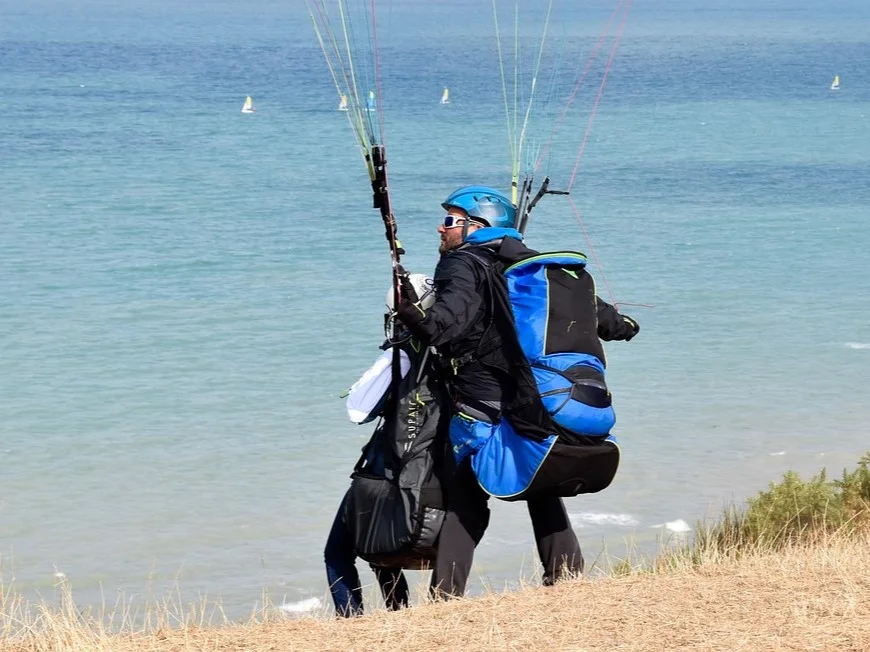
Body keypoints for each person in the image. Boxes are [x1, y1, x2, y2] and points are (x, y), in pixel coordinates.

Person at [395, 185, 639, 598]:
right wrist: (627, 324)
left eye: (452, 221)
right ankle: (566, 580)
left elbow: (444, 326)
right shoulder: (539, 270)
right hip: (535, 399)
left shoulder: (463, 263)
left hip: (483, 401)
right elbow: (612, 324)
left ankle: (445, 598)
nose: (442, 228)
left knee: (465, 495)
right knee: (539, 484)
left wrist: (409, 309)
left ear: (479, 225)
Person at [324, 274, 450, 616]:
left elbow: (358, 409)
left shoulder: (404, 354)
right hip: (438, 467)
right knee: (385, 544)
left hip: (393, 467)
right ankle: (401, 615)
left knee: (339, 551)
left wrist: (389, 357)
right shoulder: (450, 350)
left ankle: (352, 620)